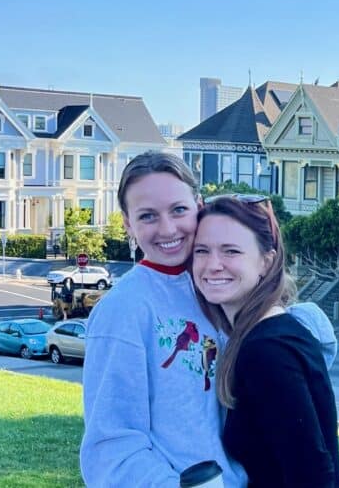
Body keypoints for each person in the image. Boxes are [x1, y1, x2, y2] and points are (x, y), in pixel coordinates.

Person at [80, 152, 246, 487]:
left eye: (179, 210)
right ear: (127, 223)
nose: (168, 228)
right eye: (148, 216)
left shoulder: (218, 281)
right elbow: (112, 447)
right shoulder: (124, 310)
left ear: (199, 204)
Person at [192, 196, 339, 487]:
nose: (213, 265)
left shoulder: (267, 351)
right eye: (202, 251)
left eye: (231, 251)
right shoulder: (268, 333)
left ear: (266, 261)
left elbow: (312, 474)